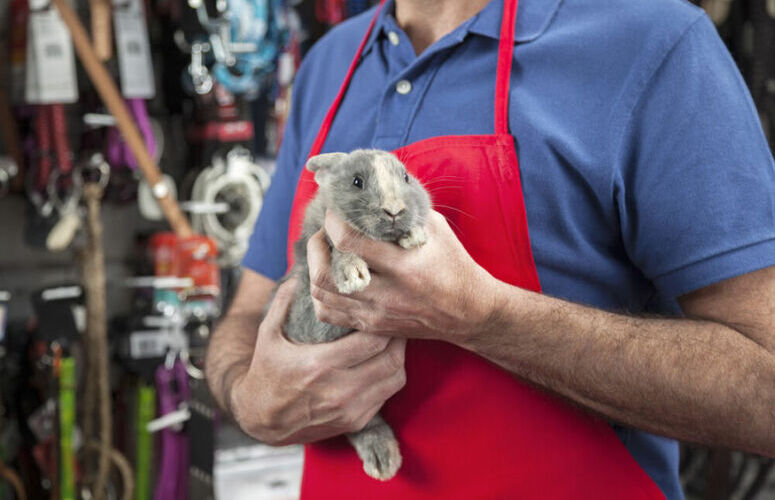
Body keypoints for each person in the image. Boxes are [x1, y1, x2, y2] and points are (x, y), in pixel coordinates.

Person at [206, 0, 775, 498]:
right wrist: (249, 397)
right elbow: (249, 313)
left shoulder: (654, 42)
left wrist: (483, 317)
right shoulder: (328, 64)